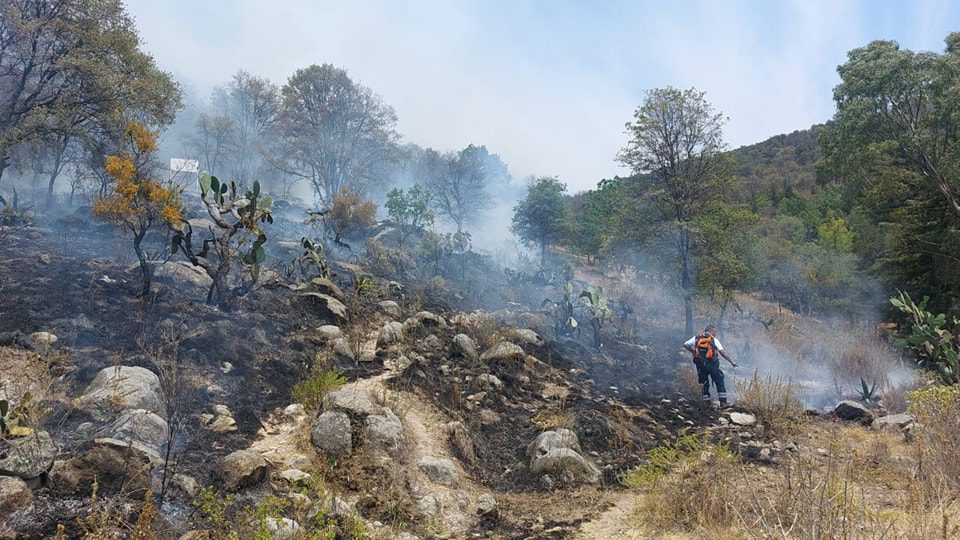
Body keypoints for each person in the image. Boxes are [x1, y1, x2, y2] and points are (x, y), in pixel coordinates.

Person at [683, 325, 738, 407]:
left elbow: (685, 344)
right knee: (719, 382)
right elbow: (722, 352)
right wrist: (732, 362)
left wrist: (693, 352)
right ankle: (723, 403)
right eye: (715, 332)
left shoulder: (696, 338)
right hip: (712, 364)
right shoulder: (714, 340)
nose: (715, 334)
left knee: (704, 382)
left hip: (701, 364)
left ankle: (706, 403)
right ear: (711, 331)